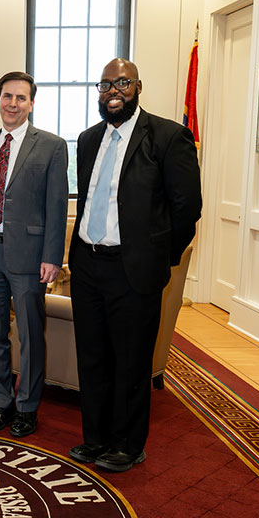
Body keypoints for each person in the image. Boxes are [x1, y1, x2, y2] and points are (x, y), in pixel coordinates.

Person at [68, 58, 202, 473]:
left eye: (122, 83)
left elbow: (187, 209)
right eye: (105, 84)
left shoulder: (168, 136)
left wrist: (158, 257)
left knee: (130, 360)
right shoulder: (88, 139)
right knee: (91, 357)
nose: (113, 91)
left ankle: (128, 444)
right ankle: (96, 438)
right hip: (87, 266)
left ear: (138, 86)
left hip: (134, 269)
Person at [0, 71, 68, 438]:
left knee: (29, 335)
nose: (13, 104)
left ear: (31, 103)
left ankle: (27, 407)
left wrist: (52, 256)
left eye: (21, 98)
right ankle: (3, 402)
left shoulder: (52, 146)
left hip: (29, 258)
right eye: (7, 96)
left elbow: (56, 206)